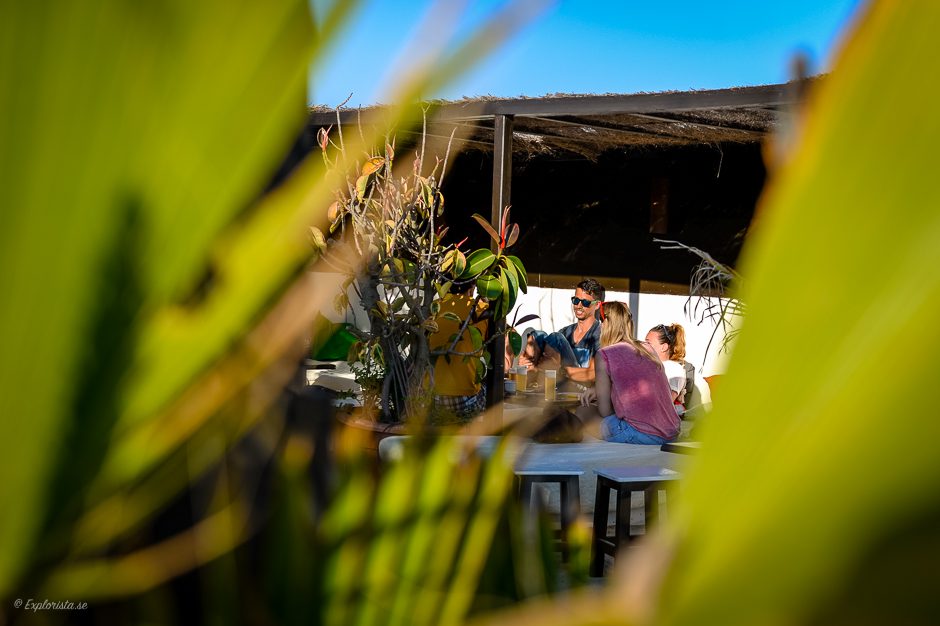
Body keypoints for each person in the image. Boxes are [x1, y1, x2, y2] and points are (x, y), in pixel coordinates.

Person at [576, 302, 679, 444]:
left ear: (605, 324)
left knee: (583, 411)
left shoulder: (605, 354)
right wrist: (599, 390)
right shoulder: (647, 348)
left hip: (642, 434)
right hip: (671, 431)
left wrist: (601, 394)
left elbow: (605, 411)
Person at [518, 278, 605, 386]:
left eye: (585, 302)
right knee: (535, 334)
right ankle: (528, 371)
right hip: (559, 386)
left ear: (597, 305)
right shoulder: (566, 332)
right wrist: (527, 361)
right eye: (576, 300)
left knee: (556, 337)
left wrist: (560, 371)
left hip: (580, 387)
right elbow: (547, 362)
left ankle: (530, 378)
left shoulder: (600, 334)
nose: (579, 306)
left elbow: (594, 374)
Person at [428, 285, 490, 422]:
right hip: (466, 400)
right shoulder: (480, 309)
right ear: (472, 287)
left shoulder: (433, 308)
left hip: (430, 399)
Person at [646, 323, 693, 415]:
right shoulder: (649, 365)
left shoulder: (674, 369)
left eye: (648, 343)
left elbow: (665, 403)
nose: (643, 346)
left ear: (664, 347)